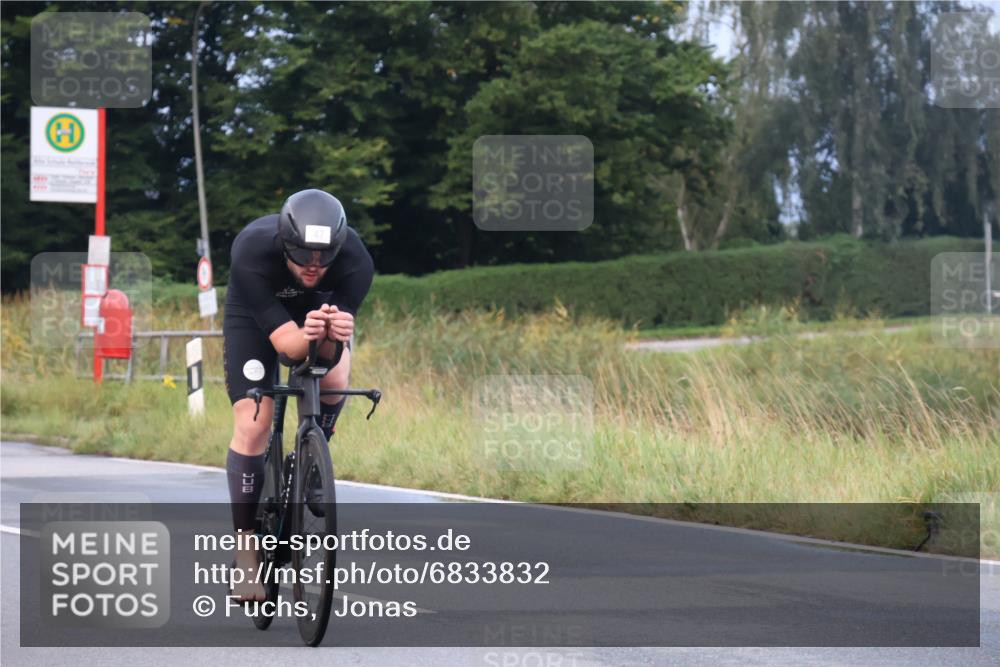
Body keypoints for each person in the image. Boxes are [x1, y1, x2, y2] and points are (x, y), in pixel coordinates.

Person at [222, 189, 374, 601]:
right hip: (258, 319)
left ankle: (312, 456)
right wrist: (306, 333)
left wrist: (331, 334)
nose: (313, 265)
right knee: (254, 424)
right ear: (285, 242)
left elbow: (324, 354)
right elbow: (289, 348)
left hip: (318, 319)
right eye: (303, 254)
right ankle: (246, 548)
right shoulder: (253, 251)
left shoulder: (356, 261)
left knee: (335, 378)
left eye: (324, 257)